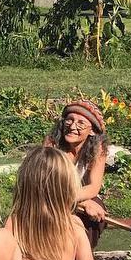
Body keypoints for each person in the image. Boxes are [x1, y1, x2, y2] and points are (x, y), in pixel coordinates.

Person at [45, 99, 108, 247]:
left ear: (92, 130)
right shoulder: (52, 144)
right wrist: (83, 203)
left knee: (96, 211)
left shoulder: (98, 149)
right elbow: (46, 182)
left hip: (78, 194)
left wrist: (81, 202)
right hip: (49, 194)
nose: (72, 126)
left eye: (81, 123)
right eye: (69, 120)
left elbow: (93, 187)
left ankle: (81, 258)